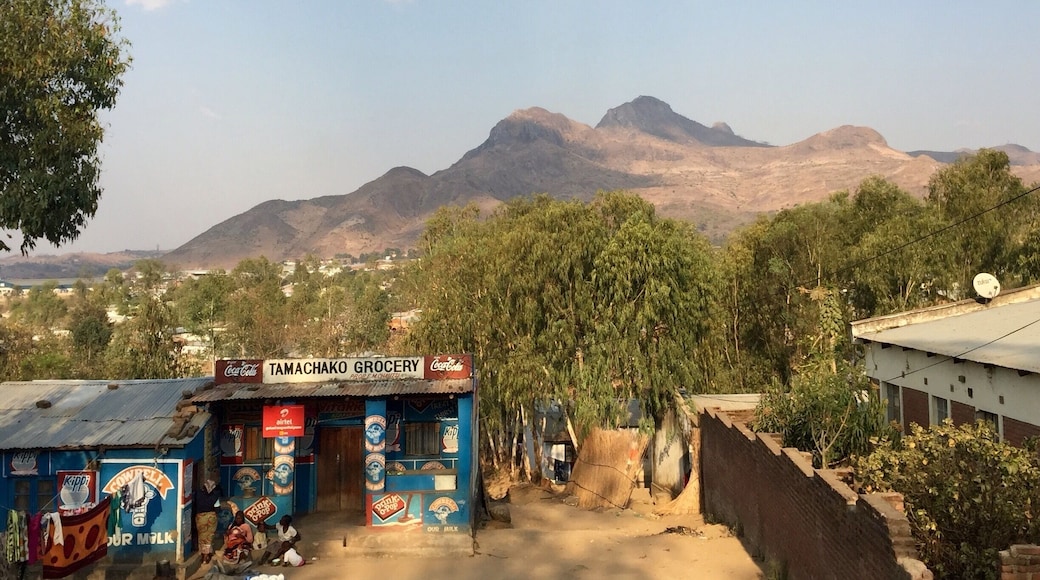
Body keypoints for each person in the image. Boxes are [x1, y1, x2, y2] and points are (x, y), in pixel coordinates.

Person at [193, 473, 223, 564]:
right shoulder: (215, 496)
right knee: (209, 537)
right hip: (211, 518)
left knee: (202, 536)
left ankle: (203, 554)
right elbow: (218, 509)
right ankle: (206, 556)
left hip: (200, 518)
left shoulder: (198, 494)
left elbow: (194, 505)